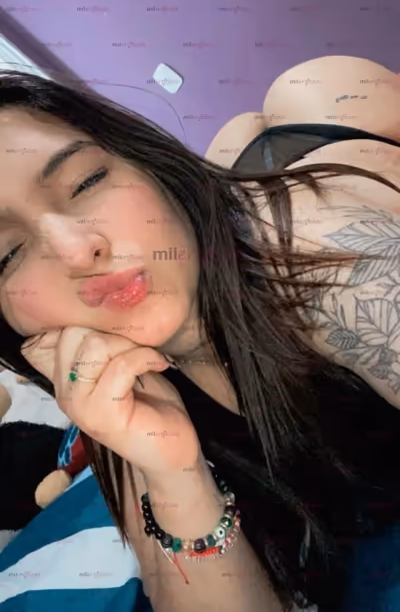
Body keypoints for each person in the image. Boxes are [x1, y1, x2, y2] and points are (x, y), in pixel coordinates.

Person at [0, 66, 399, 612]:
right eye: (7, 254)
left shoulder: (320, 255)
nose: (76, 251)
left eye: (86, 182)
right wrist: (176, 475)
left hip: (325, 140)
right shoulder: (113, 387)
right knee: (241, 134)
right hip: (222, 198)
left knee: (305, 90)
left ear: (149, 162)